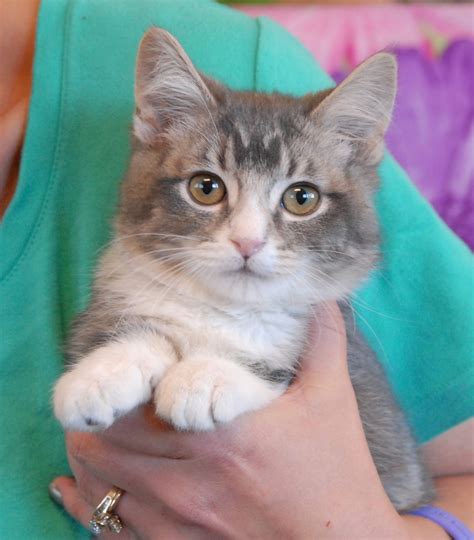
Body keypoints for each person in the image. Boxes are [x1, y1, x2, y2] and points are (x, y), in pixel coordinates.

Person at [1, 0, 472, 538]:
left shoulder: (249, 53)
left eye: (298, 198)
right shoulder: (139, 281)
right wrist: (137, 354)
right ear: (154, 129)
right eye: (208, 187)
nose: (249, 238)